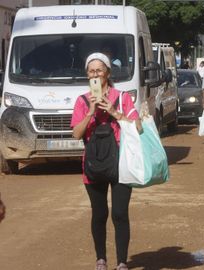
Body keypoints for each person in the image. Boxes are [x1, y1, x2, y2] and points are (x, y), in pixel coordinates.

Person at [71, 52, 141, 270]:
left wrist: (114, 112)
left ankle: (121, 262)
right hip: (93, 163)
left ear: (107, 73)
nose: (95, 74)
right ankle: (100, 259)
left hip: (121, 162)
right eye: (91, 71)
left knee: (120, 213)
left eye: (99, 70)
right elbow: (76, 133)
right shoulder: (82, 100)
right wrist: (91, 112)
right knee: (99, 213)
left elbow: (138, 127)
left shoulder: (122, 98)